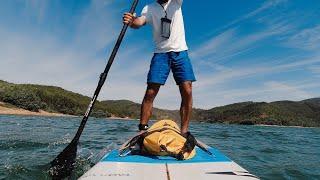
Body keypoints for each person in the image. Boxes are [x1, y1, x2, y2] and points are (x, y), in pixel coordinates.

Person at [123, 0, 196, 135]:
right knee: (151, 92)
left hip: (180, 52)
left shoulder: (176, 2)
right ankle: (142, 131)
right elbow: (139, 22)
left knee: (187, 90)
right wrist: (131, 21)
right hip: (161, 54)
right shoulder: (149, 8)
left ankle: (184, 132)